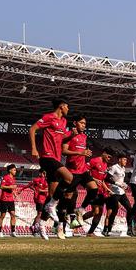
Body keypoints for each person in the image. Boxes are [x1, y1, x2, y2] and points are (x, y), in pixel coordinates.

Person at [29, 99, 72, 240]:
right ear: (61, 106)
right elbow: (33, 129)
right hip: (47, 157)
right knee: (69, 178)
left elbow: (62, 138)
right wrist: (34, 148)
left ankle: (41, 224)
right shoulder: (49, 117)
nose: (68, 109)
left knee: (52, 194)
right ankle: (51, 206)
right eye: (67, 106)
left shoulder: (64, 122)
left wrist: (73, 133)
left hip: (57, 158)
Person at [61, 115, 97, 234]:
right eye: (81, 123)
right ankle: (61, 226)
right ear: (75, 123)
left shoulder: (84, 136)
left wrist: (86, 153)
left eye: (85, 124)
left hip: (82, 170)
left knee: (93, 188)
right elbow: (64, 151)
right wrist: (81, 153)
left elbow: (83, 153)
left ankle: (80, 210)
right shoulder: (70, 135)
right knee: (67, 199)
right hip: (72, 171)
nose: (83, 125)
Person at [102, 153, 135, 237]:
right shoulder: (114, 167)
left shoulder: (123, 168)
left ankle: (130, 229)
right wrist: (116, 183)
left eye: (126, 160)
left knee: (130, 209)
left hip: (121, 192)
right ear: (119, 159)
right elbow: (106, 178)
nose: (126, 161)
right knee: (113, 211)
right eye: (124, 159)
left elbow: (121, 180)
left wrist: (125, 185)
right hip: (113, 192)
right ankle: (107, 230)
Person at [83, 147, 113, 237]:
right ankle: (77, 221)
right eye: (108, 156)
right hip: (93, 189)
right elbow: (84, 171)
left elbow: (102, 180)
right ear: (104, 153)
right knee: (95, 211)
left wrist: (107, 189)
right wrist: (94, 179)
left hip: (101, 192)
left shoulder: (105, 165)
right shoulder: (94, 161)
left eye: (110, 157)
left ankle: (90, 232)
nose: (109, 159)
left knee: (99, 212)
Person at [0, 164, 19, 237]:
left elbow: (11, 189)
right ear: (10, 170)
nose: (15, 171)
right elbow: (1, 186)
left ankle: (13, 231)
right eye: (14, 170)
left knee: (13, 215)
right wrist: (11, 187)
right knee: (2, 215)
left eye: (15, 170)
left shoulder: (13, 178)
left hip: (11, 199)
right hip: (4, 199)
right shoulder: (5, 177)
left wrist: (14, 193)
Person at [27, 170, 50, 237]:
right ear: (40, 173)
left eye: (45, 173)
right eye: (44, 173)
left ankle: (34, 226)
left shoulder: (46, 181)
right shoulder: (37, 180)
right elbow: (29, 185)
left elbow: (48, 189)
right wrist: (35, 190)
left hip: (45, 199)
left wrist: (43, 190)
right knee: (39, 214)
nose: (45, 175)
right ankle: (35, 227)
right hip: (40, 199)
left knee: (46, 214)